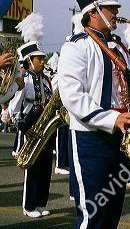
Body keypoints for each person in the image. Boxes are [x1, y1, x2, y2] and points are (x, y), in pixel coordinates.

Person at [58, 0, 130, 228]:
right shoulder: (76, 46)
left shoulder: (119, 48)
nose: (116, 13)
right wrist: (112, 119)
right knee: (93, 214)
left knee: (111, 213)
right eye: (110, 8)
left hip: (119, 138)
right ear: (93, 11)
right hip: (90, 140)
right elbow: (72, 96)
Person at [12, 15, 54, 218]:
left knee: (46, 167)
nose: (43, 61)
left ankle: (40, 203)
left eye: (43, 58)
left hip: (45, 127)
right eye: (40, 58)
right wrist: (23, 128)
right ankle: (29, 206)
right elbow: (14, 108)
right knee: (33, 167)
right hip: (30, 126)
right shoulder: (24, 81)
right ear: (29, 60)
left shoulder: (46, 79)